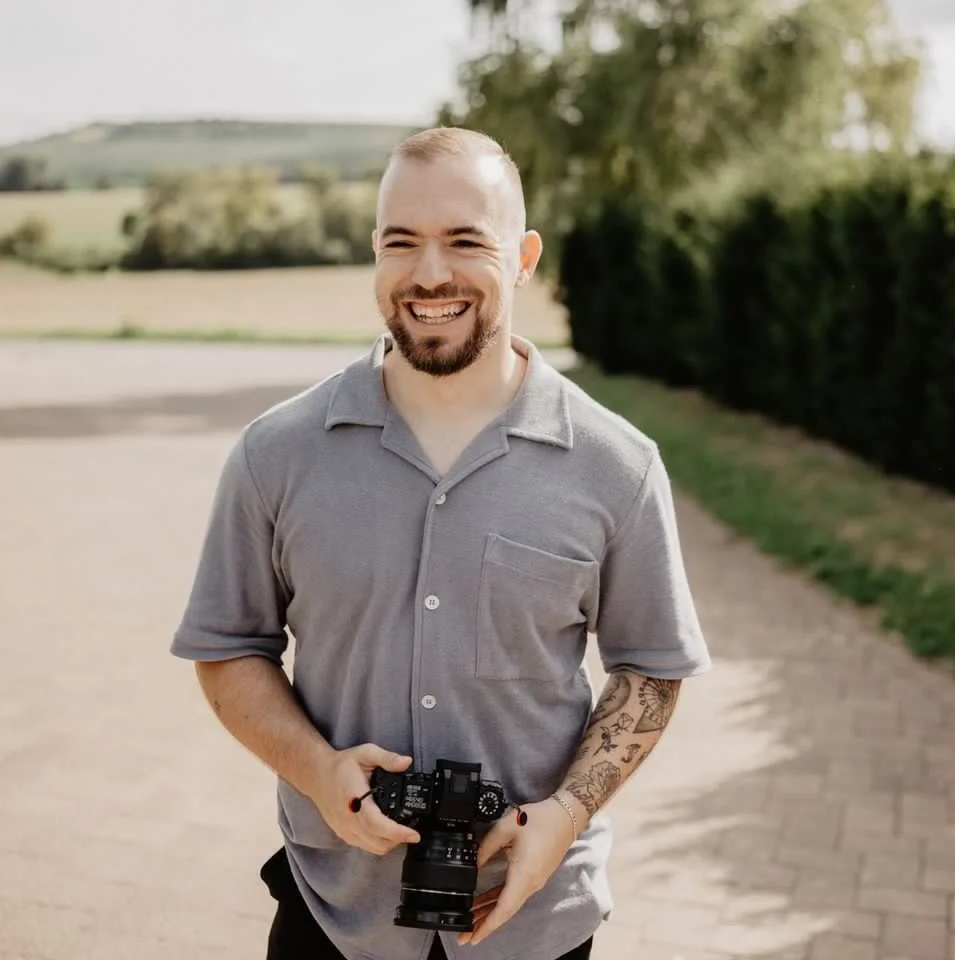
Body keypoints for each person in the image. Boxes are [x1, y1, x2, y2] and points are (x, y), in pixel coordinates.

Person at [169, 125, 711, 960]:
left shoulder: (619, 468)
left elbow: (651, 668)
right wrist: (319, 772)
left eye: (465, 241)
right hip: (332, 917)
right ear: (374, 255)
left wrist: (563, 815)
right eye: (401, 243)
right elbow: (227, 649)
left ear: (524, 256)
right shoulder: (275, 454)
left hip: (536, 923)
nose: (429, 274)